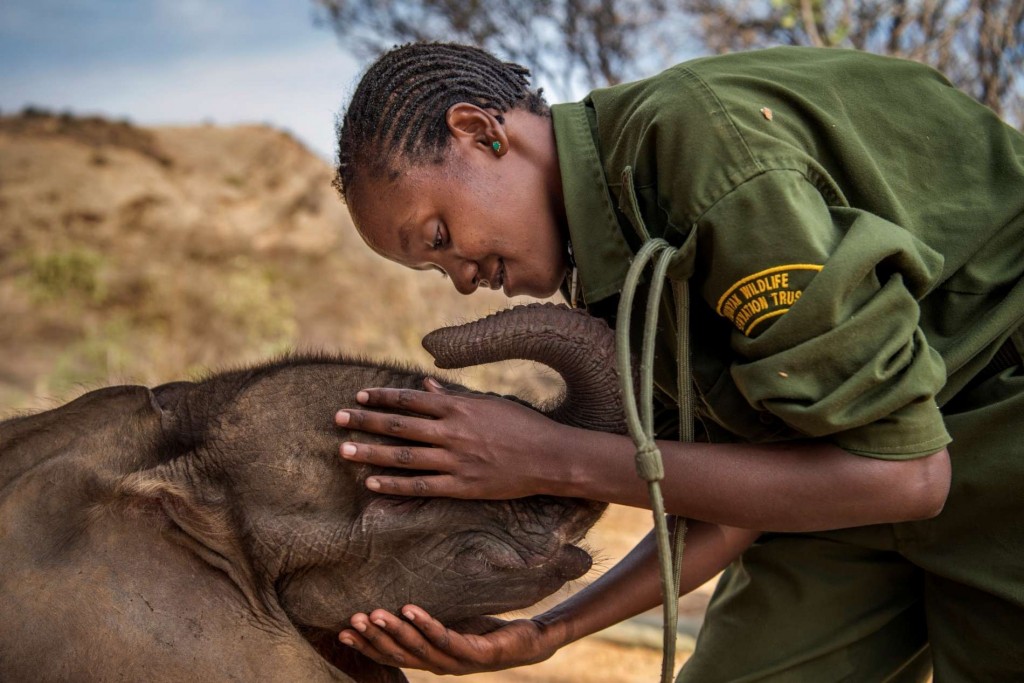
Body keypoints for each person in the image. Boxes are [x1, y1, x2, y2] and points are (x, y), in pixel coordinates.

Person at [329, 42, 1024, 681]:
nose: (459, 278)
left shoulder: (699, 155)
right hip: (852, 469)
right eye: (432, 266)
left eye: (442, 235)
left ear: (481, 132)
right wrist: (548, 631)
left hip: (996, 422)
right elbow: (734, 492)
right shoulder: (612, 270)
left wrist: (549, 455)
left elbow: (908, 474)